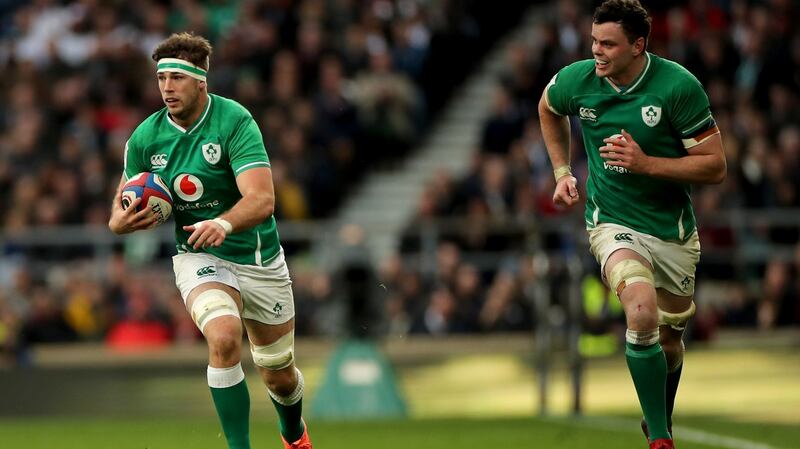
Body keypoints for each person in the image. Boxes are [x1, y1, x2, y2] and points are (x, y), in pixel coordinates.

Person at [108, 32, 313, 449]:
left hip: (258, 257)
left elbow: (262, 199)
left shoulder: (234, 121)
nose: (166, 87)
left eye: (176, 78)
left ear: (201, 81)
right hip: (198, 257)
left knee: (278, 372)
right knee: (222, 337)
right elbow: (119, 207)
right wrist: (121, 223)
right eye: (161, 77)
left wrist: (224, 222)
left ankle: (294, 435)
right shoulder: (145, 138)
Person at [537, 1, 726, 449]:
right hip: (612, 222)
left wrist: (646, 164)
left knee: (670, 342)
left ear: (638, 45)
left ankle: (658, 415)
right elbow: (547, 108)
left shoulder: (677, 87)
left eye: (608, 44)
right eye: (593, 42)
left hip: (672, 230)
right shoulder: (577, 81)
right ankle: (660, 439)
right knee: (640, 312)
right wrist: (563, 172)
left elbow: (714, 166)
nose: (596, 52)